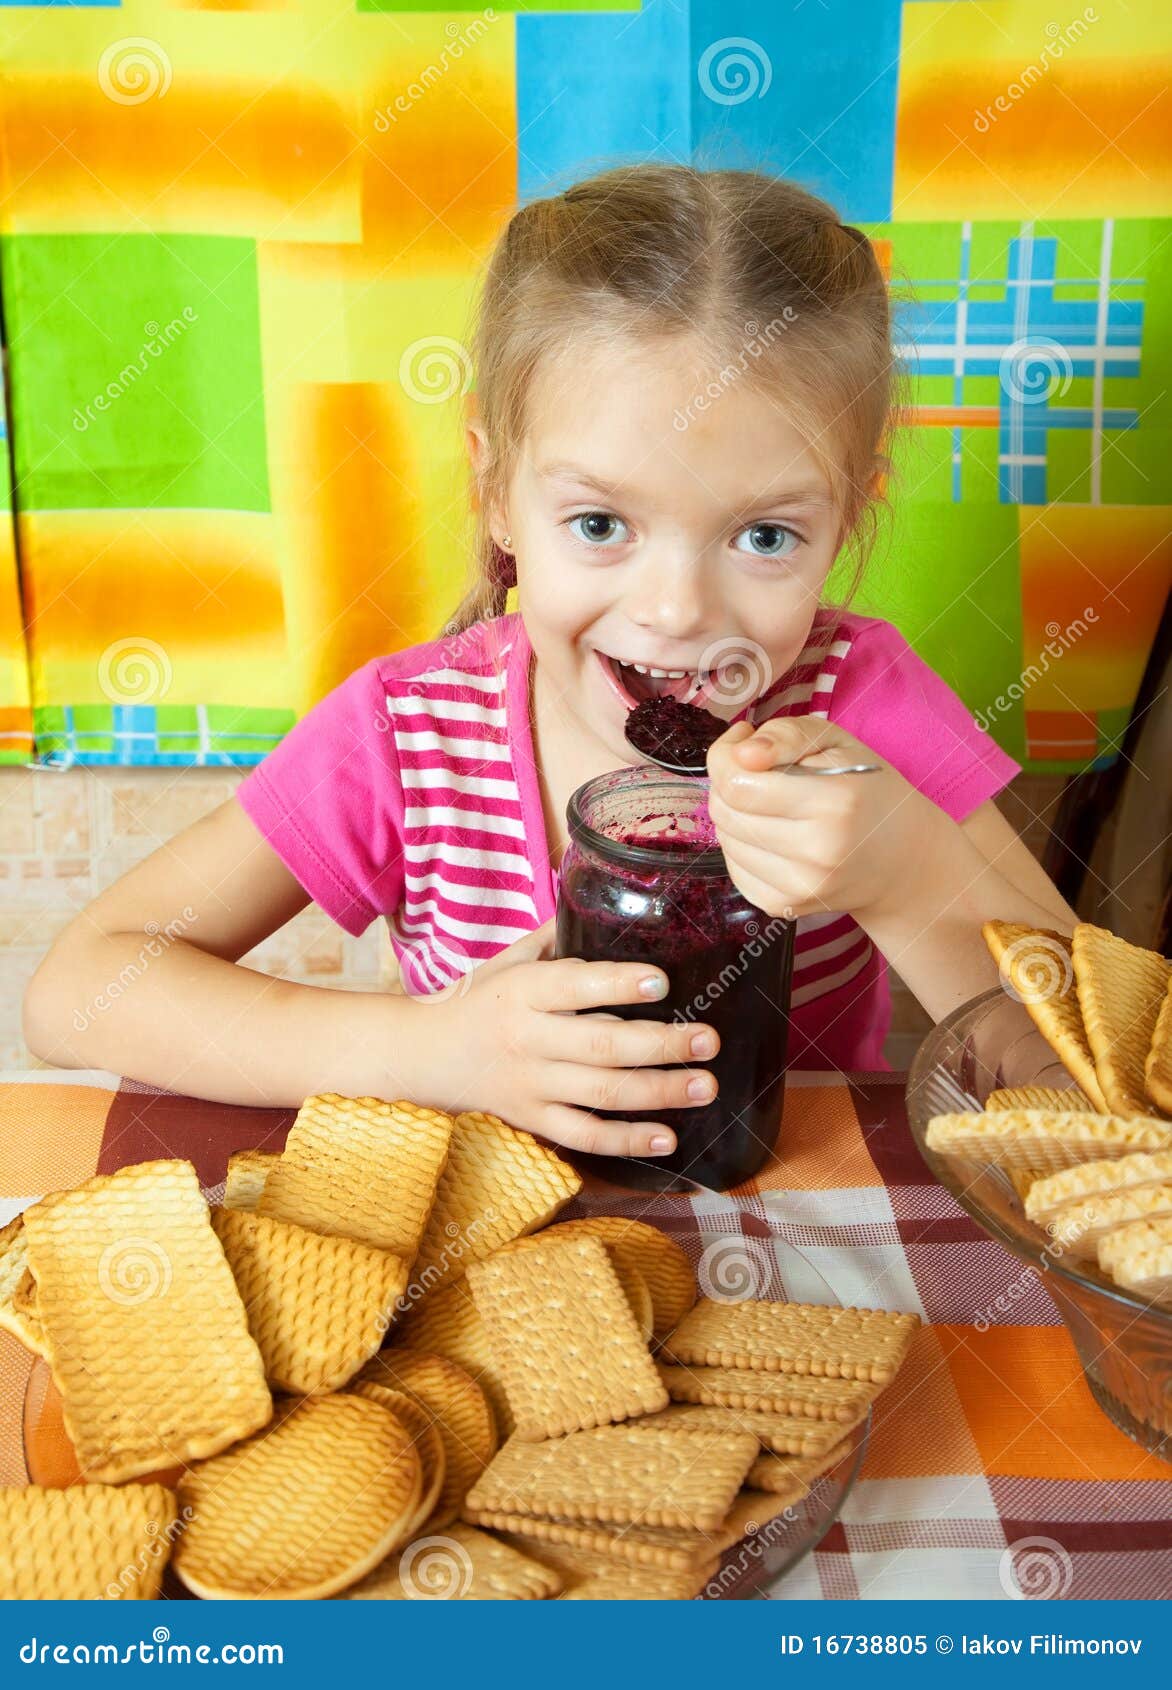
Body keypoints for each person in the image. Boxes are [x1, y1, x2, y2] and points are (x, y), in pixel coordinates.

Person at [23, 165, 1075, 1160]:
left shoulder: (858, 705)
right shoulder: (408, 736)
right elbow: (77, 991)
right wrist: (434, 1048)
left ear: (846, 516)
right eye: (600, 521)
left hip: (798, 1209)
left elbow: (1093, 1088)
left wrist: (905, 869)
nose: (674, 611)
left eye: (761, 536)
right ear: (496, 494)